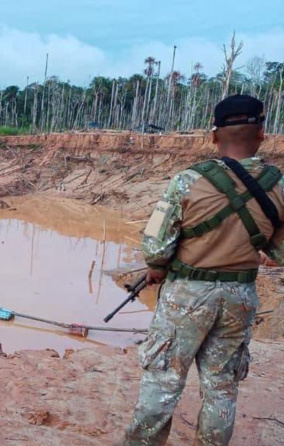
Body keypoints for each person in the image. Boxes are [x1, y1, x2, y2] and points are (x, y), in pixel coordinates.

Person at [124, 94, 284, 445]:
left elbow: (156, 245)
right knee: (222, 387)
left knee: (163, 381)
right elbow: (278, 250)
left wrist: (157, 267)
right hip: (240, 296)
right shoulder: (279, 185)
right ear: (261, 133)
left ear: (213, 136)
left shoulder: (186, 181)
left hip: (187, 294)